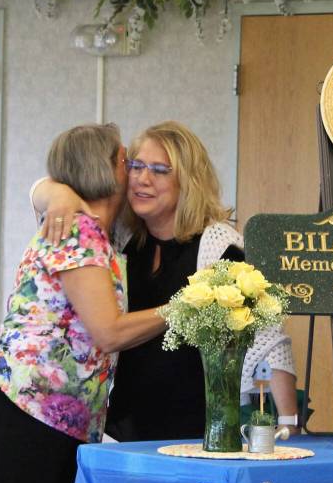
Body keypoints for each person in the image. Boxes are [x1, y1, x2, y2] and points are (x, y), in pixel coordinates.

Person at [33, 121, 298, 442]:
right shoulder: (120, 238)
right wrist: (56, 194)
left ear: (188, 181)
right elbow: (39, 191)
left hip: (198, 434)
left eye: (160, 170)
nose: (143, 179)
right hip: (122, 430)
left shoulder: (220, 247)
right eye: (136, 166)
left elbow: (270, 339)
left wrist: (289, 421)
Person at [0, 124, 167, 483]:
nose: (137, 175)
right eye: (128, 162)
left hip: (56, 419)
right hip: (24, 409)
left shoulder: (98, 231)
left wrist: (51, 189)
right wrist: (184, 307)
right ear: (105, 170)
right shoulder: (78, 228)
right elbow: (108, 332)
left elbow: (42, 189)